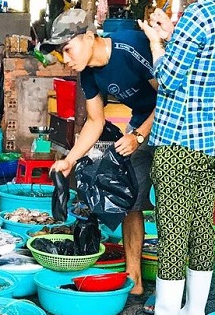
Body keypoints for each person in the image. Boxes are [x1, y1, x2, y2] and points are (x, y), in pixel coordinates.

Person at [137, 0, 215, 315]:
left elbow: (169, 79)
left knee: (172, 230)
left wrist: (157, 43)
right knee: (201, 226)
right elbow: (204, 62)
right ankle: (194, 311)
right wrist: (173, 36)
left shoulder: (198, 13)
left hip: (180, 140)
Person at [46, 9, 157, 296]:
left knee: (171, 210)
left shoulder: (131, 47)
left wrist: (139, 135)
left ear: (89, 35)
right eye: (61, 55)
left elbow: (171, 96)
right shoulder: (89, 76)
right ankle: (134, 278)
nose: (67, 61)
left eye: (67, 50)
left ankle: (170, 289)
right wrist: (70, 160)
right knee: (131, 198)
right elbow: (95, 121)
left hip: (174, 125)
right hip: (141, 122)